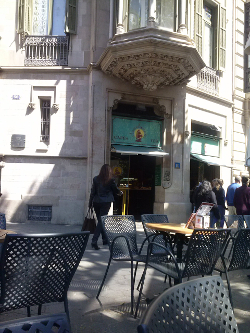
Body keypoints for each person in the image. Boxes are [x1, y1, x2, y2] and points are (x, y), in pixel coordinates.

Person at [89, 164, 123, 250]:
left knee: (101, 221)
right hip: (106, 202)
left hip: (96, 201)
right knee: (101, 221)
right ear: (109, 171)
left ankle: (105, 240)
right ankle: (94, 240)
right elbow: (115, 190)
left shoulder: (96, 179)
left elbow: (93, 191)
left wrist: (90, 203)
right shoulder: (111, 180)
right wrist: (120, 192)